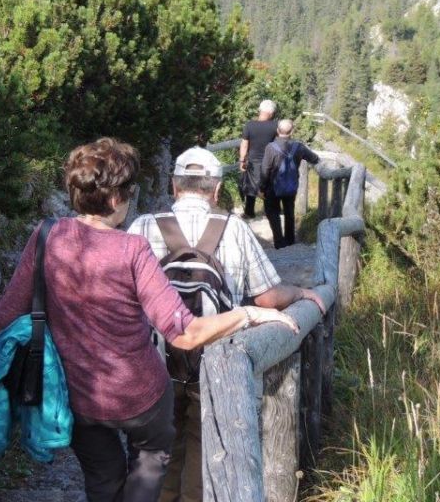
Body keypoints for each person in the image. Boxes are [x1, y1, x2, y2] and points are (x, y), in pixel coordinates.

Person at [0, 138, 299, 502]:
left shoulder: (45, 236)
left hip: (77, 393)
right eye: (129, 190)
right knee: (152, 456)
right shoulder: (130, 249)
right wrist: (249, 313)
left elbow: (5, 316)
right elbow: (184, 333)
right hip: (140, 396)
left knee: (103, 478)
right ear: (113, 199)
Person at [128, 146, 325, 502]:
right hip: (214, 361)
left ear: (174, 185)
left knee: (156, 452)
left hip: (153, 362)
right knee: (204, 447)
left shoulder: (142, 226)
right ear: (216, 190)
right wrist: (299, 293)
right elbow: (267, 297)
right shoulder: (233, 228)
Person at [260, 119, 320, 249]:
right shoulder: (299, 146)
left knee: (273, 213)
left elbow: (265, 169)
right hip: (291, 186)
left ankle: (279, 242)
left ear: (277, 131)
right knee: (289, 212)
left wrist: (262, 187)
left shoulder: (270, 148)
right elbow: (314, 158)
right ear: (292, 131)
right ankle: (290, 240)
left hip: (272, 187)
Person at [238, 99, 278, 219]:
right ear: (271, 113)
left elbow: (244, 144)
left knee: (251, 187)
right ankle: (270, 212)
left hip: (253, 160)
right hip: (270, 160)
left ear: (260, 110)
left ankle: (249, 212)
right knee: (268, 186)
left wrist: (242, 160)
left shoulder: (249, 125)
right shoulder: (276, 125)